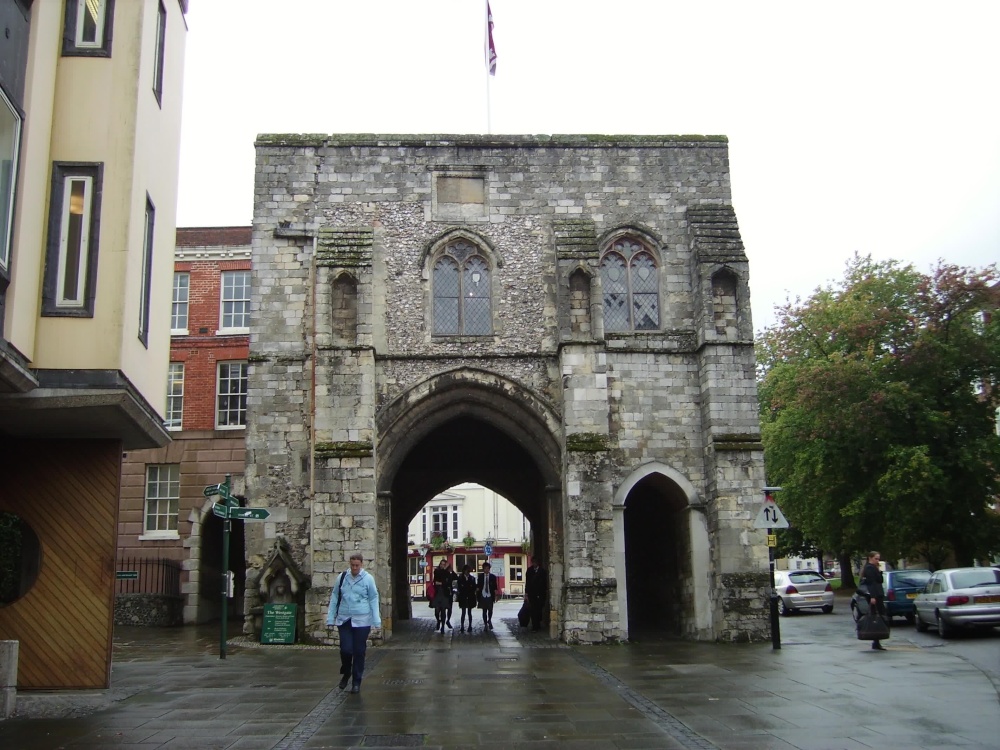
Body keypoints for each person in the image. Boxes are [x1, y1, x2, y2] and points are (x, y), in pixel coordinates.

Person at [326, 552, 381, 693]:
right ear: (350, 564)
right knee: (346, 649)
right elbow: (335, 596)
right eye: (352, 565)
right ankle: (346, 671)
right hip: (344, 619)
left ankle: (357, 681)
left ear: (361, 564)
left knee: (359, 651)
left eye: (357, 565)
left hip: (362, 620)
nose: (355, 568)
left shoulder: (368, 579)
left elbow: (373, 598)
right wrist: (330, 618)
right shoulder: (343, 577)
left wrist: (376, 620)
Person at [859, 551, 887, 651]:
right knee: (876, 616)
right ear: (870, 558)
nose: (877, 560)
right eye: (876, 558)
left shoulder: (874, 568)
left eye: (878, 558)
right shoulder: (869, 568)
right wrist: (873, 597)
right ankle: (876, 639)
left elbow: (880, 580)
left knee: (879, 615)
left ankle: (877, 640)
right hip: (874, 596)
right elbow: (871, 584)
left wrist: (879, 570)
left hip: (878, 595)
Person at [432, 559, 456, 633]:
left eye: (444, 564)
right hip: (438, 592)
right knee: (436, 610)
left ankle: (442, 626)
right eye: (441, 564)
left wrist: (451, 570)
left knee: (443, 610)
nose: (442, 565)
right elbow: (435, 581)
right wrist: (442, 583)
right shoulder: (437, 571)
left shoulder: (448, 573)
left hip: (445, 593)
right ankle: (438, 621)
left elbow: (451, 580)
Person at [525, 556, 548, 632]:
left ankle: (538, 624)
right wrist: (526, 594)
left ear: (538, 563)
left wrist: (544, 593)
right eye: (533, 562)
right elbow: (527, 583)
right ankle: (535, 626)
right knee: (533, 610)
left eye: (536, 562)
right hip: (532, 594)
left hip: (540, 594)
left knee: (539, 610)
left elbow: (544, 584)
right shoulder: (529, 571)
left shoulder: (542, 571)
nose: (534, 564)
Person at [477, 561, 499, 630]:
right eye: (485, 568)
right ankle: (485, 624)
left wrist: (496, 595)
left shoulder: (493, 577)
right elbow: (478, 586)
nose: (486, 570)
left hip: (490, 595)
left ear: (489, 569)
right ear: (483, 569)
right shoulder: (480, 577)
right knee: (484, 610)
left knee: (490, 610)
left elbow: (495, 587)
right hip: (483, 595)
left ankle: (489, 620)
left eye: (488, 568)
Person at [456, 564, 478, 632]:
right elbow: (460, 588)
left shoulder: (472, 578)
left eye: (468, 571)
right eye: (466, 571)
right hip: (463, 597)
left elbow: (474, 588)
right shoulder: (460, 578)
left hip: (470, 597)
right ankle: (462, 626)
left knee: (469, 612)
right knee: (463, 612)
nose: (467, 572)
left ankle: (470, 626)